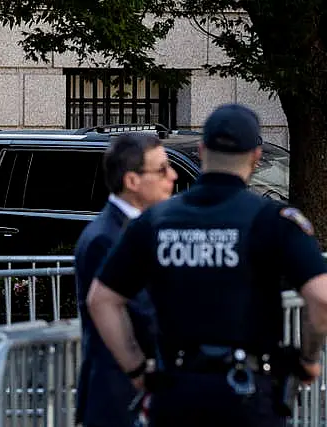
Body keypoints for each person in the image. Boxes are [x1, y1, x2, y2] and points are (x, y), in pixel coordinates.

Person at [86, 103, 327, 427]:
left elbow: (101, 300)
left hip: (176, 390)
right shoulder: (273, 220)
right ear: (256, 157)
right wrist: (309, 358)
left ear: (201, 150)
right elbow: (321, 297)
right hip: (246, 391)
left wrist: (137, 369)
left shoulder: (156, 221)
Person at [74, 132, 177, 427]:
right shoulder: (105, 238)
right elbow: (140, 310)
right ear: (132, 181)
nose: (172, 175)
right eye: (161, 169)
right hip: (118, 392)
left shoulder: (137, 229)